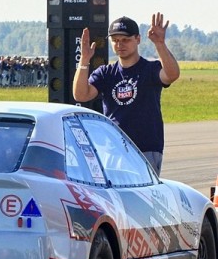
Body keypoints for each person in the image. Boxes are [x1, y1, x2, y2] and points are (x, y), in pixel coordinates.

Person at [72, 13, 180, 175]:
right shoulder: (106, 73)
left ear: (138, 39)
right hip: (113, 150)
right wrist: (84, 61)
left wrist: (160, 44)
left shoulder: (150, 69)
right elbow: (81, 95)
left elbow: (172, 75)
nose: (119, 44)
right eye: (115, 40)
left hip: (145, 149)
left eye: (125, 39)